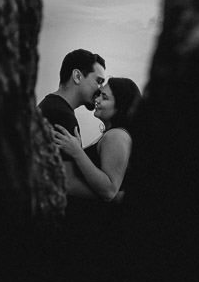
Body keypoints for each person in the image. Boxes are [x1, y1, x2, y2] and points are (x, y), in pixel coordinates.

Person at [53, 77, 142, 203]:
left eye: (104, 98)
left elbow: (109, 191)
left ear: (120, 106)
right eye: (99, 95)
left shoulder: (116, 136)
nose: (97, 99)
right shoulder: (113, 134)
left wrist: (77, 152)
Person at [37, 49, 106, 194]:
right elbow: (67, 182)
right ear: (77, 76)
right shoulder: (62, 115)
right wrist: (113, 197)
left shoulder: (50, 105)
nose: (100, 90)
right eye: (98, 81)